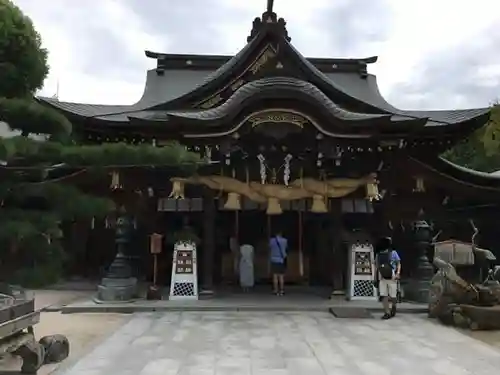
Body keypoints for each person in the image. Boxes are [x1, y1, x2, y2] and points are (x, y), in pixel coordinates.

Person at [375, 237, 401, 320]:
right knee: (384, 295)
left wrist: (397, 273)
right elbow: (376, 266)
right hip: (382, 277)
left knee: (393, 296)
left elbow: (398, 263)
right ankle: (387, 312)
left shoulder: (393, 253)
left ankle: (393, 306)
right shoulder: (378, 254)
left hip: (392, 277)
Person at [269, 230, 288, 295]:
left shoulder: (271, 241)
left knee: (275, 276)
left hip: (273, 259)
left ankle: (275, 290)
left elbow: (270, 248)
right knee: (281, 276)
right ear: (281, 234)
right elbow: (285, 248)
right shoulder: (284, 241)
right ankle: (282, 290)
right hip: (281, 260)